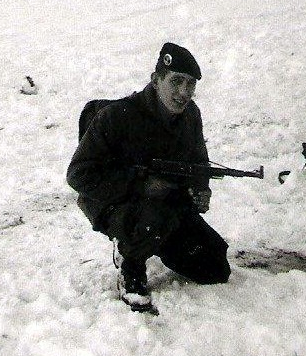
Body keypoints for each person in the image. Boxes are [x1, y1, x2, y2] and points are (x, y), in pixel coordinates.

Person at [67, 42, 230, 312]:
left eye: (190, 84)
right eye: (176, 81)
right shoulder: (116, 117)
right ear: (156, 80)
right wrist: (140, 184)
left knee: (213, 267)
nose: (184, 92)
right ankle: (130, 261)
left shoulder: (190, 115)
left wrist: (200, 189)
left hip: (164, 204)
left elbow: (198, 162)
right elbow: (78, 175)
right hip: (113, 202)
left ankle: (150, 240)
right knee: (153, 220)